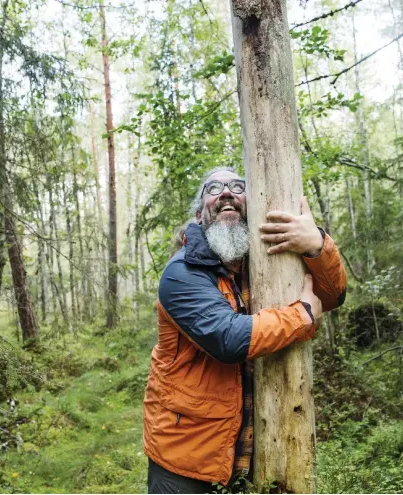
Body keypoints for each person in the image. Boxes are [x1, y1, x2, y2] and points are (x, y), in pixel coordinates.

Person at [143, 167, 347, 494]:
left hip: (248, 457)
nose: (226, 193)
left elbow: (332, 296)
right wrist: (302, 315)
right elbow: (229, 339)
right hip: (184, 464)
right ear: (199, 216)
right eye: (214, 189)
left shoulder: (265, 266)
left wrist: (315, 246)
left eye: (238, 187)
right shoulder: (181, 273)